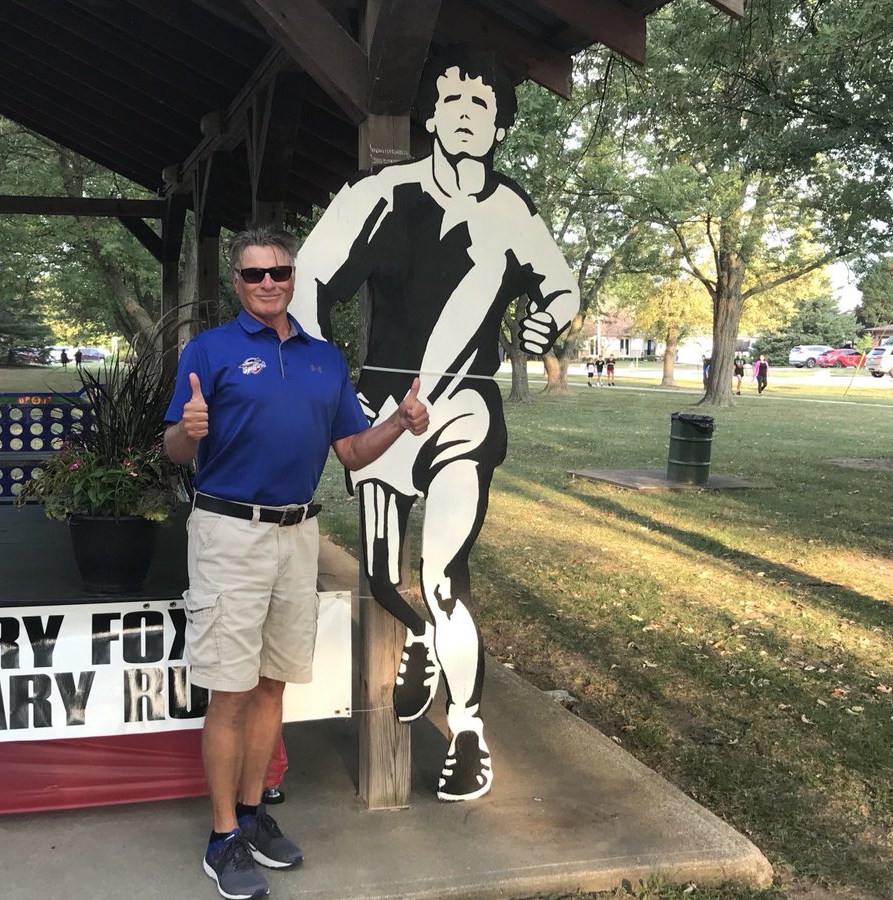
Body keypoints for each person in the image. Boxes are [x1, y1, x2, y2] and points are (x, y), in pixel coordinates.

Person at [291, 45, 578, 805]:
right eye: (452, 102)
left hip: (463, 413)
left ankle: (471, 728)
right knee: (384, 579)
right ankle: (416, 639)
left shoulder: (511, 210)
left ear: (499, 127)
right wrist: (333, 391)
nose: (466, 117)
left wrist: (549, 321)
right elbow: (307, 283)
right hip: (383, 415)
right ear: (428, 117)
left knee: (445, 579)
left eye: (482, 107)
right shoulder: (380, 192)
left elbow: (562, 287)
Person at [165, 226, 428, 900]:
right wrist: (185, 434)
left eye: (279, 271)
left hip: (297, 533)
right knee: (230, 689)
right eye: (254, 275)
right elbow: (172, 451)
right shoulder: (210, 350)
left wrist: (399, 423)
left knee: (274, 684)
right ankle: (222, 837)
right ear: (237, 281)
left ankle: (251, 816)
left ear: (292, 275)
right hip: (229, 532)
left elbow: (350, 451)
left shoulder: (323, 360)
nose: (268, 283)